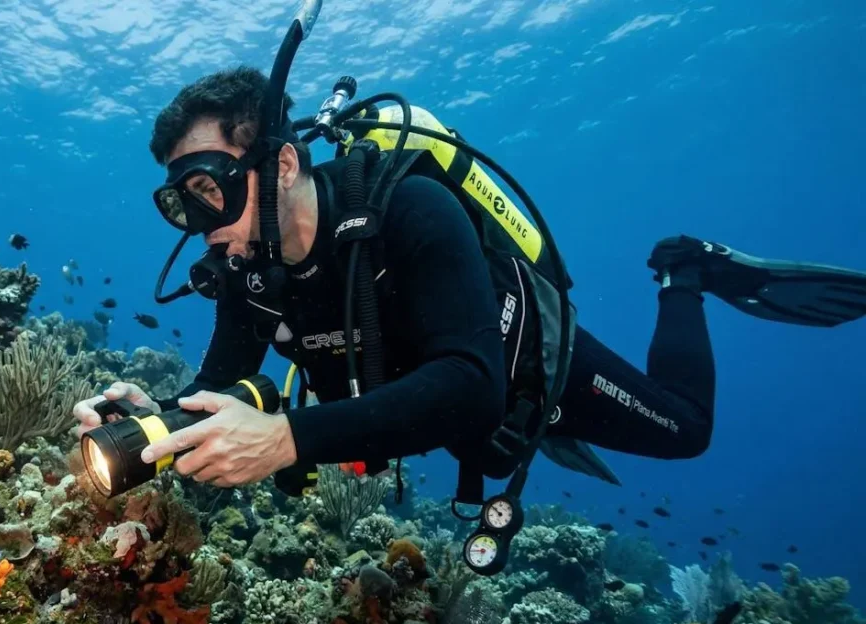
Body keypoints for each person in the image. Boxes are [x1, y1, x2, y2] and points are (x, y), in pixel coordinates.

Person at [72, 65, 866, 492]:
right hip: (452, 415)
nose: (202, 224)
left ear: (281, 164)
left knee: (688, 433)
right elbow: (223, 384)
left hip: (523, 368)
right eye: (180, 203)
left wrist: (286, 440)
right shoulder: (249, 274)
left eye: (211, 187)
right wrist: (157, 421)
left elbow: (471, 384)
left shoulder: (409, 208)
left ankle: (684, 274)